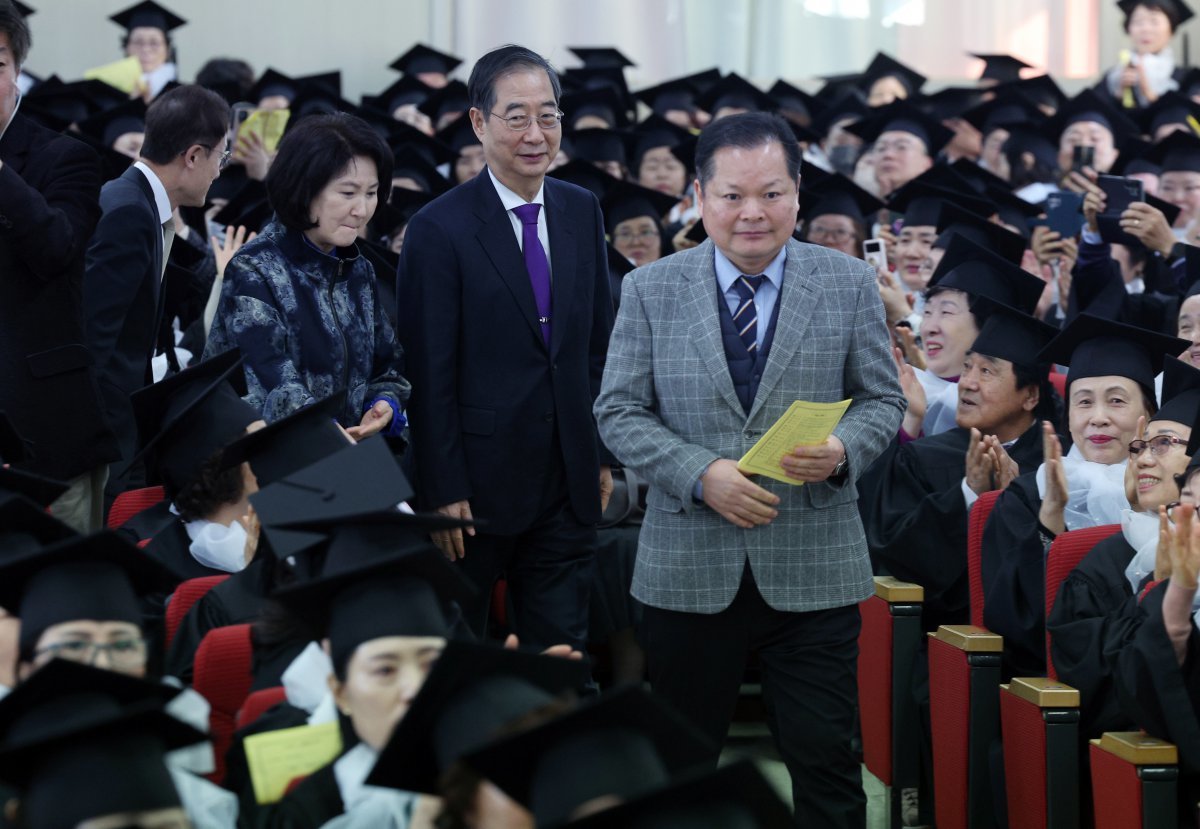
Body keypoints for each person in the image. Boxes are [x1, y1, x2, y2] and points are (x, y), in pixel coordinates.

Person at [593, 111, 904, 828]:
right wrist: (700, 473)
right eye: (731, 196)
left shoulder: (849, 282)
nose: (752, 213)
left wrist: (843, 452)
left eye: (771, 193)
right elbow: (618, 413)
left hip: (814, 566)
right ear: (698, 198)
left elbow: (883, 399)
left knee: (828, 763)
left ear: (798, 193)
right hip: (687, 570)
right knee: (681, 769)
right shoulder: (649, 288)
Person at [396, 45, 614, 658]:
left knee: (562, 658)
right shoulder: (439, 228)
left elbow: (595, 346)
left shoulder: (580, 207)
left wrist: (596, 453)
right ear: (478, 123)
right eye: (516, 116)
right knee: (461, 661)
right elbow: (427, 369)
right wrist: (442, 486)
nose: (535, 134)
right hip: (474, 491)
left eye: (548, 116)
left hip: (566, 483)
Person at [981, 313, 1187, 677]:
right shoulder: (1029, 495)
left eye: (1117, 401)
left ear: (1148, 415)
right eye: (1084, 402)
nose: (1098, 418)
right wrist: (1051, 518)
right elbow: (1014, 627)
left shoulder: (1175, 496)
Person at [204, 112, 410, 435]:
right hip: (273, 465)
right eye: (347, 193)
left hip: (348, 455)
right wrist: (327, 432)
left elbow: (387, 367)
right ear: (304, 189)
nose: (362, 210)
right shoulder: (256, 269)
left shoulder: (358, 271)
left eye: (371, 193)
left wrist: (382, 404)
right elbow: (270, 380)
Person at [0, 0, 119, 534]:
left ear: (17, 69)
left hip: (41, 428)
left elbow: (56, 248)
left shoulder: (65, 158)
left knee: (57, 594)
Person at [83, 83, 231, 505]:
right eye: (220, 157)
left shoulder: (136, 202)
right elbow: (94, 337)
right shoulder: (130, 212)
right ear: (193, 156)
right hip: (104, 433)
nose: (220, 171)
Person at [1049, 354, 1200, 741]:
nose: (1144, 459)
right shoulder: (1105, 562)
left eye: (1164, 444)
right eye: (1141, 445)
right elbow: (1091, 686)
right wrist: (1158, 591)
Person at [1103, 0, 1194, 110]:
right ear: (1128, 29)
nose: (1145, 29)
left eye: (1154, 22)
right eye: (1138, 22)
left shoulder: (1187, 79)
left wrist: (1149, 94)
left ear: (1171, 30)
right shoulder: (1114, 77)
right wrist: (1119, 94)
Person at [108, 0, 186, 101]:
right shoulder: (107, 93)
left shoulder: (184, 95)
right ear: (126, 48)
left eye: (154, 43)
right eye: (138, 42)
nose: (146, 49)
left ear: (167, 50)